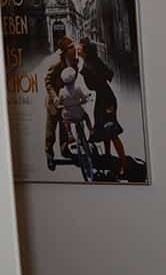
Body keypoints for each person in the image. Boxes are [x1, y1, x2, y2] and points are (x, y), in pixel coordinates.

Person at [80, 39, 127, 178]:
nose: (78, 50)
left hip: (106, 100)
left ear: (85, 52)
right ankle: (107, 156)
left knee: (112, 132)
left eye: (80, 49)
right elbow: (109, 74)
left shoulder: (88, 66)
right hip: (106, 97)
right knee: (105, 129)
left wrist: (109, 107)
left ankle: (124, 165)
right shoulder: (95, 60)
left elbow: (91, 86)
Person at [44, 36, 79, 166]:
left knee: (64, 127)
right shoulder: (56, 64)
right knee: (51, 131)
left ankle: (64, 150)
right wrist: (54, 97)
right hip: (54, 103)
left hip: (66, 100)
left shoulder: (73, 62)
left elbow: (73, 79)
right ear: (65, 51)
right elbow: (47, 82)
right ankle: (49, 154)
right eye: (71, 47)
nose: (74, 49)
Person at [57, 67, 93, 139]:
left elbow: (59, 104)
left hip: (68, 116)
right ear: (74, 79)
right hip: (78, 114)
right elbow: (84, 100)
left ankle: (69, 133)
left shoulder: (61, 91)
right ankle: (91, 131)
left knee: (65, 120)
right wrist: (81, 101)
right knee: (86, 116)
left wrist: (63, 106)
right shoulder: (77, 89)